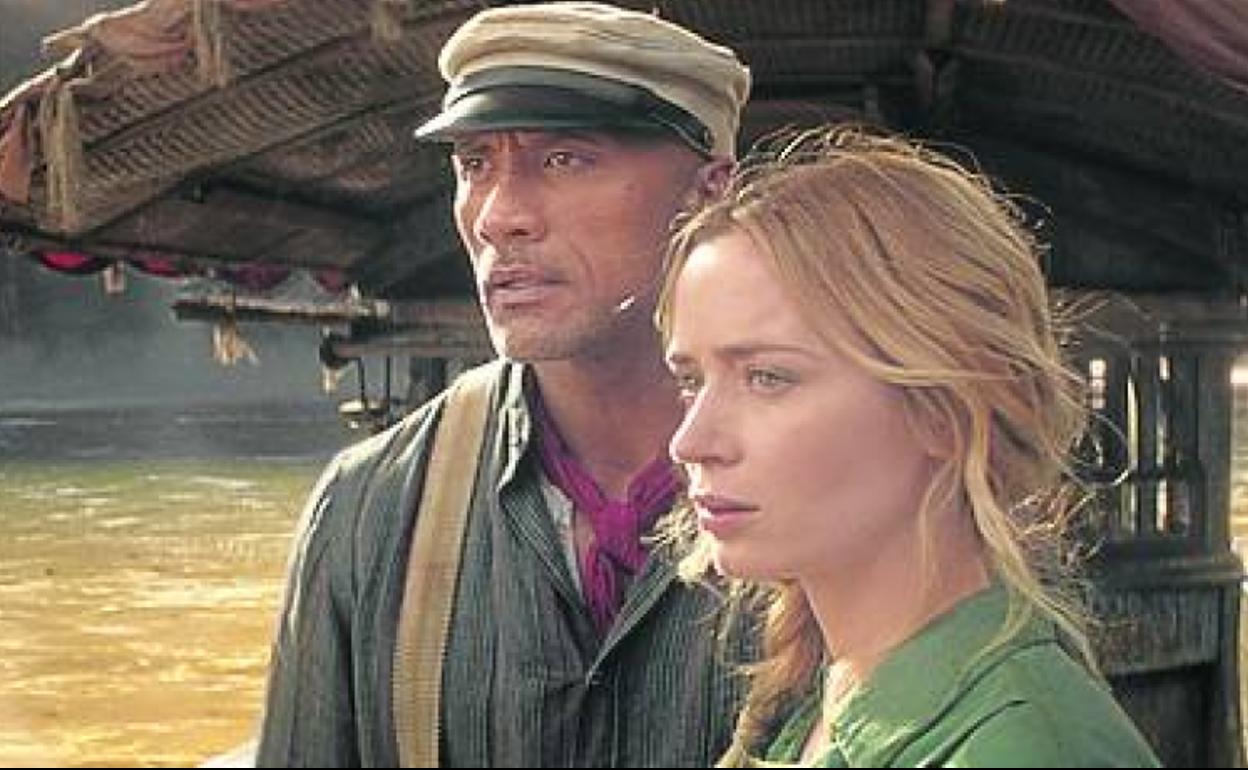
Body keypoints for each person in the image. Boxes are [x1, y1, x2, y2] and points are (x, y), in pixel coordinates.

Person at [253, 2, 755, 767]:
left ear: (709, 192)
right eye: (474, 165)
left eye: (566, 159)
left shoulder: (844, 487)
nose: (499, 217)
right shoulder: (373, 508)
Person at [655, 125, 1163, 767]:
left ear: (947, 407)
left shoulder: (1023, 747)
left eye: (768, 378)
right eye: (690, 381)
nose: (690, 442)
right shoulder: (828, 697)